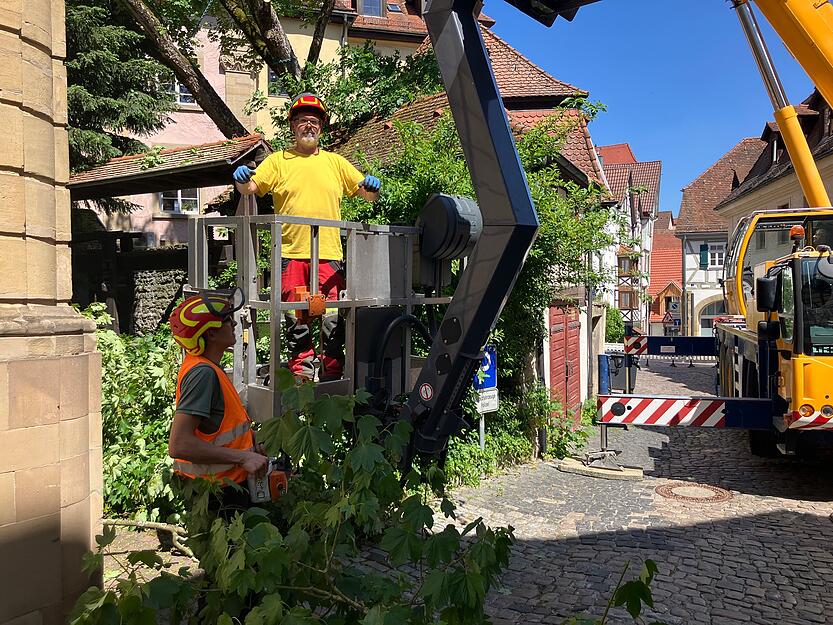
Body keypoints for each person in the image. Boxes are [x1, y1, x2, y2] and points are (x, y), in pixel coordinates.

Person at [233, 93, 381, 381]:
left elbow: (366, 194)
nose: (308, 126)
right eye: (302, 121)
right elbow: (250, 188)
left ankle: (332, 371)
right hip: (291, 251)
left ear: (321, 127)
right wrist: (240, 179)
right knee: (295, 314)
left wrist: (373, 186)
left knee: (332, 316)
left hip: (328, 252)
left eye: (314, 121)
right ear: (293, 127)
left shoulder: (335, 163)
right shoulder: (278, 162)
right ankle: (301, 370)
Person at [168, 288, 268, 514]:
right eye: (226, 320)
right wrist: (243, 457)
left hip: (225, 487)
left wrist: (251, 448)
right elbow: (179, 444)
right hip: (218, 494)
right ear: (210, 333)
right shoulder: (203, 373)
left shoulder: (208, 367)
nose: (233, 324)